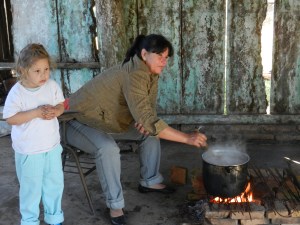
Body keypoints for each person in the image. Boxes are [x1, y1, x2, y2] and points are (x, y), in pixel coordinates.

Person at [65, 34, 207, 225]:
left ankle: (150, 180)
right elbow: (149, 119)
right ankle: (115, 206)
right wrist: (187, 138)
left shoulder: (150, 72)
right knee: (108, 149)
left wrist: (146, 122)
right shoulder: (135, 75)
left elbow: (148, 113)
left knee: (149, 133)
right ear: (144, 54)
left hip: (105, 120)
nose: (164, 62)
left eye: (166, 58)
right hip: (76, 121)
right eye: (160, 57)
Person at [3, 43, 65, 225]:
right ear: (23, 70)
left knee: (54, 184)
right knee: (31, 188)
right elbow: (11, 118)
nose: (43, 75)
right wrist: (36, 112)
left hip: (52, 147)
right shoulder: (17, 93)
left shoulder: (52, 86)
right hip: (29, 151)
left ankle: (54, 218)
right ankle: (30, 221)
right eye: (37, 71)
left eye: (46, 69)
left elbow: (61, 104)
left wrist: (57, 111)